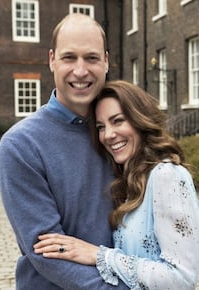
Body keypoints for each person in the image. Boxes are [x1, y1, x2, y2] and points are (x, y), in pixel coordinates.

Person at [0, 13, 129, 289]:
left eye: (91, 58)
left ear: (106, 61)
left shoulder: (121, 135)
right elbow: (48, 255)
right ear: (51, 60)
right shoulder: (21, 145)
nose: (80, 71)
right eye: (69, 58)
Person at [34, 80, 199, 289]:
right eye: (101, 127)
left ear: (140, 120)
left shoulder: (168, 176)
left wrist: (98, 255)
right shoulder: (131, 180)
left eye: (118, 121)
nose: (108, 135)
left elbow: (181, 279)